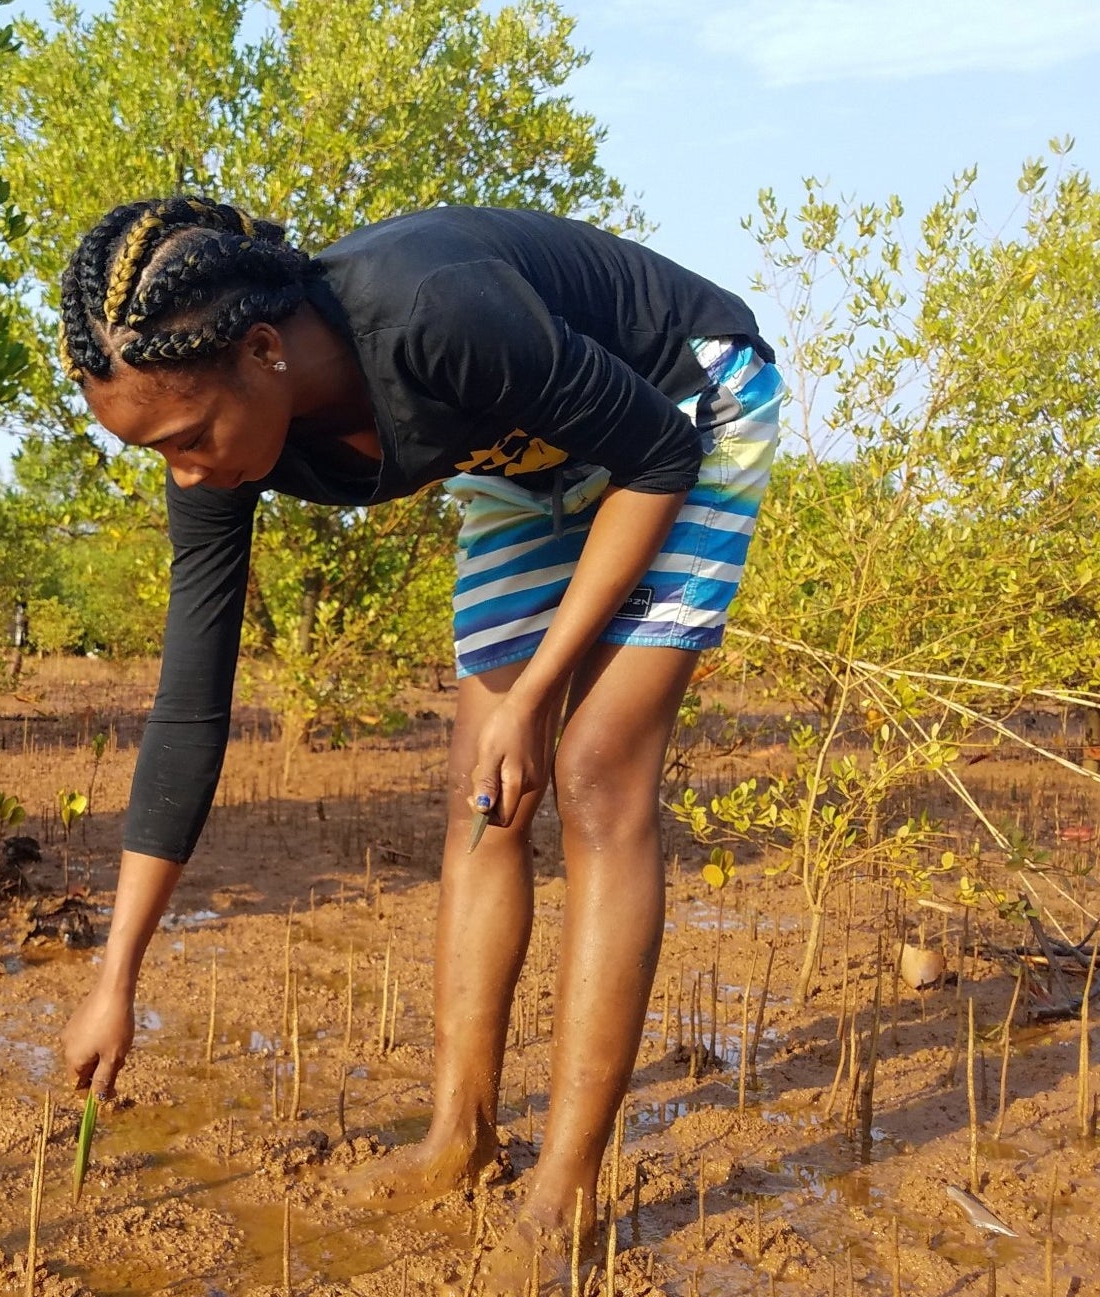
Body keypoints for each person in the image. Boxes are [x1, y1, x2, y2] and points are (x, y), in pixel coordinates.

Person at [54, 198, 784, 1233]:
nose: (185, 473)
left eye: (185, 440)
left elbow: (655, 454)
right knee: (480, 796)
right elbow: (188, 700)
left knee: (591, 768)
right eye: (157, 453)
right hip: (522, 458)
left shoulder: (431, 313)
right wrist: (114, 977)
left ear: (263, 351)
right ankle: (461, 1134)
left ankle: (565, 1192)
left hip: (680, 402)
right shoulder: (218, 428)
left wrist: (532, 697)